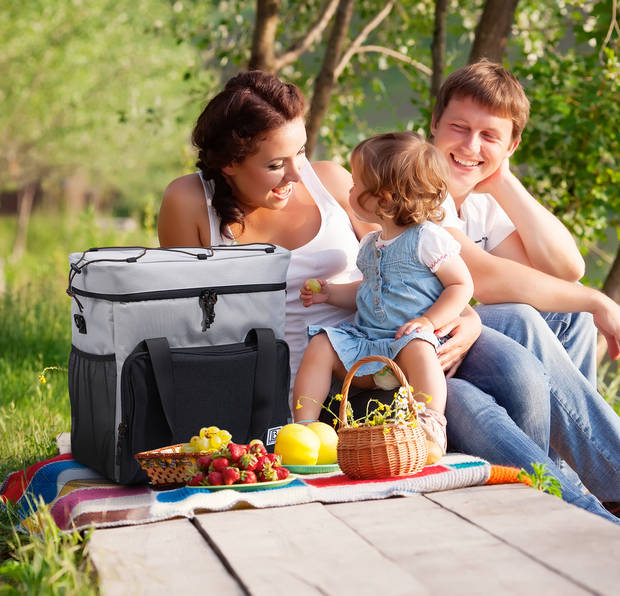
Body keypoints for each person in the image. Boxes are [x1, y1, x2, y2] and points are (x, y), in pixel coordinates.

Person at [157, 70, 619, 522]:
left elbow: (417, 261)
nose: (297, 173)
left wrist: (472, 318)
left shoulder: (332, 182)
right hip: (339, 376)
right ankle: (582, 512)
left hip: (398, 337)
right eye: (276, 163)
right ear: (229, 163)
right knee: (470, 404)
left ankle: (599, 489)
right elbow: (187, 329)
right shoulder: (189, 201)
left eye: (301, 151)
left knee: (518, 349)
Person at [427, 60, 620, 511]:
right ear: (434, 124)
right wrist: (599, 301)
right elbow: (487, 278)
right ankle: (612, 473)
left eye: (490, 136)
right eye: (459, 127)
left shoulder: (477, 202)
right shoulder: (414, 182)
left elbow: (563, 269)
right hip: (416, 341)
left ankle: (576, 472)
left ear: (512, 144)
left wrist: (505, 180)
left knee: (567, 315)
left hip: (460, 338)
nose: (470, 146)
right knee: (519, 315)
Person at [293, 132, 474, 455]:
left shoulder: (427, 239)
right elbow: (368, 292)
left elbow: (462, 285)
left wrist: (429, 321)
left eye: (356, 184)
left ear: (384, 198)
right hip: (370, 342)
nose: (349, 189)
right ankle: (305, 431)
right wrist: (330, 294)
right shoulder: (370, 245)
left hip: (408, 343)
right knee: (321, 343)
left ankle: (428, 424)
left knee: (418, 346)